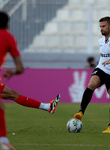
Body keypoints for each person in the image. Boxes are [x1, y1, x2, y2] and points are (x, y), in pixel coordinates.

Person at [0, 11, 60, 150]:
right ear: (8, 26)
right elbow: (20, 68)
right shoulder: (8, 38)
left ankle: (47, 107)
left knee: (11, 95)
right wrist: (13, 72)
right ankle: (3, 141)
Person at [74, 16, 110, 133]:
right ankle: (81, 112)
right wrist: (104, 62)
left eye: (104, 26)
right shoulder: (100, 41)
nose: (101, 29)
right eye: (100, 26)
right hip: (101, 68)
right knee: (92, 84)